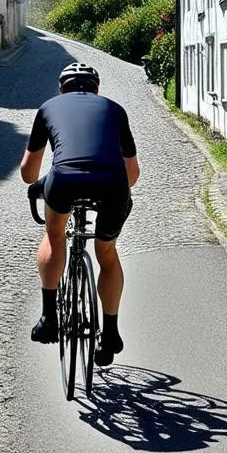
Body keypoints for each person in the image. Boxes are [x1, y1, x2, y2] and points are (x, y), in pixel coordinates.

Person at [20, 62, 139, 366]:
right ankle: (110, 332)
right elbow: (133, 173)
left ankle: (49, 317)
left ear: (61, 89)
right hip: (112, 184)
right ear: (97, 90)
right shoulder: (115, 110)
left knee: (55, 234)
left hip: (65, 180)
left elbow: (28, 172)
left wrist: (43, 181)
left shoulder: (48, 108)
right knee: (107, 254)